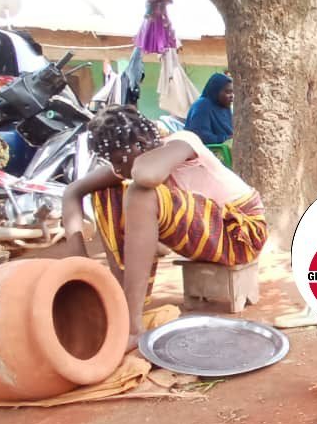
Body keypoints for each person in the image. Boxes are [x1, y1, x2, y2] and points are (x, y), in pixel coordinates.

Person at [62, 106, 268, 350]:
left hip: (240, 233)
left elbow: (146, 175)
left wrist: (133, 164)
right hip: (207, 232)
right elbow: (72, 191)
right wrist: (81, 270)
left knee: (140, 193)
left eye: (119, 161)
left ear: (139, 143)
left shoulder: (183, 141)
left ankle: (131, 326)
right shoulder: (139, 159)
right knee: (108, 192)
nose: (118, 170)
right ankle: (120, 301)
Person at [185, 73, 234, 144]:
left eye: (232, 92)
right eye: (227, 92)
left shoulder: (225, 107)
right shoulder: (202, 106)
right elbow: (201, 136)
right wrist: (226, 139)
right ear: (215, 91)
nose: (232, 96)